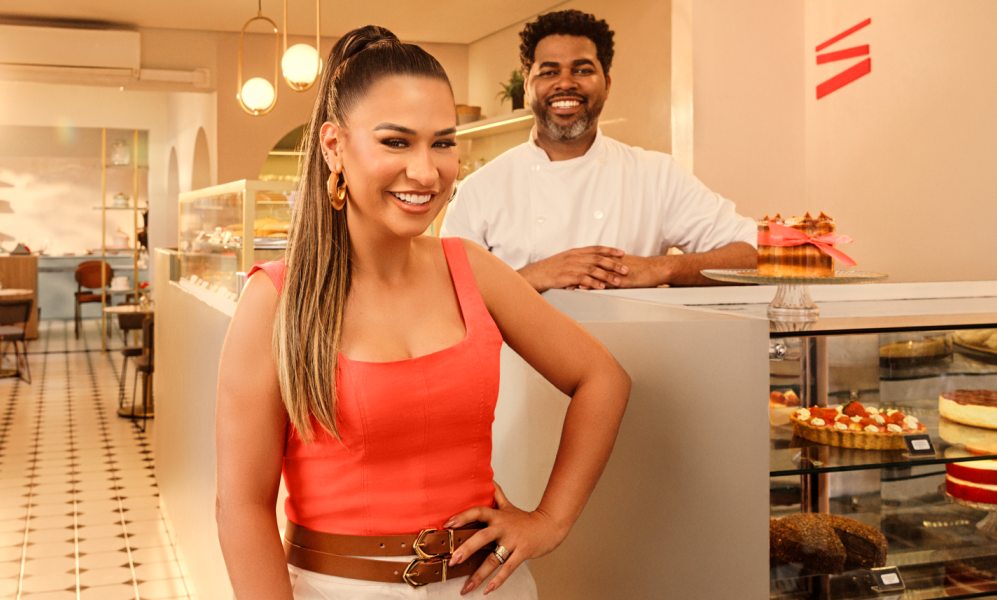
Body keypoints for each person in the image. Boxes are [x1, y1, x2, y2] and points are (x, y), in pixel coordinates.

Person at [215, 26, 630, 599]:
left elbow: (602, 378)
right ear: (334, 146)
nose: (427, 172)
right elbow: (241, 506)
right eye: (396, 142)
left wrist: (550, 521)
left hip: (487, 587)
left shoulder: (472, 269)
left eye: (441, 143)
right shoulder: (277, 299)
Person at [442, 10, 757, 293]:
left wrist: (660, 267)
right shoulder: (479, 190)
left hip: (635, 355)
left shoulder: (655, 175)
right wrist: (534, 276)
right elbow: (445, 293)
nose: (565, 83)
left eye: (581, 70)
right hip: (516, 360)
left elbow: (755, 254)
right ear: (527, 88)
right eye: (549, 72)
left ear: (607, 83)